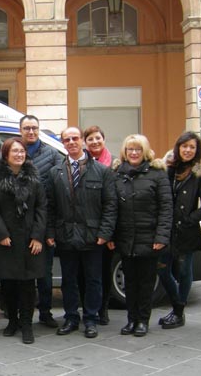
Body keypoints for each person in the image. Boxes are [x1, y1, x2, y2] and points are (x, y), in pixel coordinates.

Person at [46, 127, 117, 339]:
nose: (71, 142)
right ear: (63, 144)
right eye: (67, 140)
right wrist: (50, 231)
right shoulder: (55, 172)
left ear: (82, 141)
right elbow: (50, 205)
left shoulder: (102, 171)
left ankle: (91, 318)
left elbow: (110, 205)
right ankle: (70, 317)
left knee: (93, 279)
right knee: (68, 280)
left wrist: (105, 233)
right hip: (66, 235)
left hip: (92, 236)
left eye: (75, 138)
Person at [108, 134, 173, 337]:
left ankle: (142, 320)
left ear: (144, 151)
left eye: (137, 149)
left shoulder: (157, 174)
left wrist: (161, 237)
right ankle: (131, 319)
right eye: (130, 150)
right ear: (124, 153)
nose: (134, 153)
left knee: (146, 283)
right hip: (126, 238)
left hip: (149, 238)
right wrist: (111, 235)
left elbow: (166, 208)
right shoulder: (117, 173)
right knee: (130, 282)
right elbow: (112, 207)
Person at [0, 138, 46, 344]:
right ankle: (12, 321)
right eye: (15, 151)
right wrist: (1, 234)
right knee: (8, 284)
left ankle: (27, 325)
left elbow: (41, 208)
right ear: (6, 154)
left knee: (28, 285)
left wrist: (37, 236)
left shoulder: (34, 176)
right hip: (6, 239)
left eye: (22, 151)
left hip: (29, 240)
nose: (19, 154)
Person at [156, 131, 201, 329]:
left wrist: (190, 219)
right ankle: (177, 306)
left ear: (197, 151)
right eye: (184, 146)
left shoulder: (200, 173)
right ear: (178, 147)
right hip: (167, 229)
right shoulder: (169, 169)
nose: (187, 150)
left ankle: (178, 313)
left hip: (186, 230)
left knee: (185, 272)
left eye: (192, 147)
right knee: (162, 269)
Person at [19, 115, 62, 328]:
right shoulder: (13, 152)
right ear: (20, 130)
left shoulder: (53, 154)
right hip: (18, 223)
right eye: (26, 128)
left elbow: (57, 190)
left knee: (44, 272)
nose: (31, 132)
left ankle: (45, 312)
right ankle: (18, 313)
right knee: (20, 272)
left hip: (43, 222)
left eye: (34, 128)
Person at [82, 125, 115, 325]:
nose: (94, 142)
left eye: (97, 138)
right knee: (87, 273)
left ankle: (103, 309)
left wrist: (109, 232)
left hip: (105, 228)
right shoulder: (81, 163)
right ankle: (89, 307)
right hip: (86, 229)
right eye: (90, 139)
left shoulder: (114, 164)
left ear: (103, 139)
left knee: (104, 271)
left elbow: (113, 201)